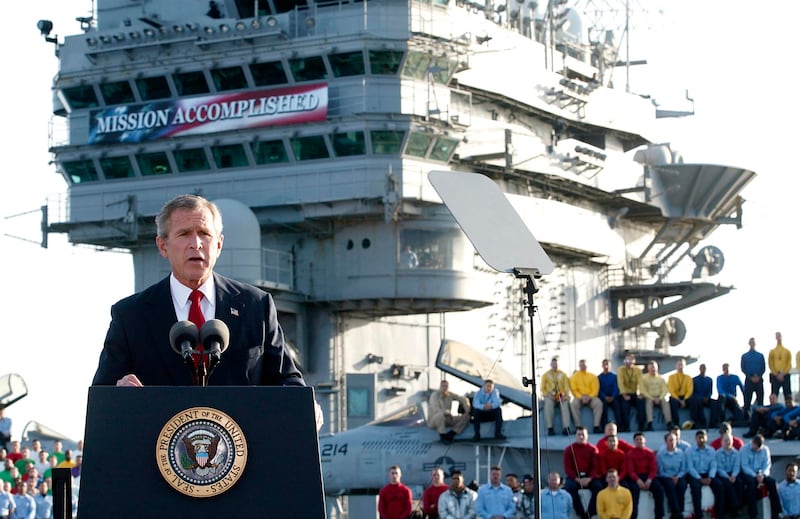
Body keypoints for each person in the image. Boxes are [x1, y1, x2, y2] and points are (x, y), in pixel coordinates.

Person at [91, 194, 309, 389]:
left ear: (218, 245)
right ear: (162, 246)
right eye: (184, 234)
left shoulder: (255, 306)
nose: (195, 244)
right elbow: (103, 396)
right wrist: (117, 391)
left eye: (204, 233)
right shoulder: (131, 315)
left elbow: (287, 382)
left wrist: (305, 407)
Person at [563, 426, 603, 519]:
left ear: (587, 436)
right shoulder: (569, 449)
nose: (581, 437)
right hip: (575, 477)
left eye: (583, 435)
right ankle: (581, 513)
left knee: (598, 487)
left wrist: (589, 478)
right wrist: (577, 479)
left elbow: (596, 467)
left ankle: (590, 512)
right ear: (575, 436)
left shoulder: (593, 449)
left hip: (589, 477)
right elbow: (567, 468)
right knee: (570, 487)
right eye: (579, 434)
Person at [622, 432, 664, 519]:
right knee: (633, 490)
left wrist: (649, 480)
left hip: (648, 476)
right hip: (635, 477)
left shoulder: (650, 453)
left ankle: (659, 515)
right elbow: (630, 471)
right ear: (634, 442)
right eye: (637, 440)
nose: (639, 441)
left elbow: (653, 469)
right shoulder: (630, 454)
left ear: (644, 440)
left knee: (659, 488)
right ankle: (633, 515)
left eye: (641, 439)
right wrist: (638, 480)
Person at [739, 434, 781, 519]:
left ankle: (776, 513)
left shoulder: (765, 450)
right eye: (756, 447)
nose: (758, 450)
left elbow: (767, 465)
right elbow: (744, 466)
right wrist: (755, 476)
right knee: (751, 485)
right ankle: (753, 514)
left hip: (761, 473)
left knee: (772, 483)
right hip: (749, 473)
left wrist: (763, 474)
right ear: (753, 443)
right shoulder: (744, 449)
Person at [685, 429, 724, 519]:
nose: (701, 440)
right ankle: (698, 515)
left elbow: (713, 465)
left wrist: (710, 477)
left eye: (703, 437)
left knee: (720, 486)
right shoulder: (689, 451)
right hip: (695, 475)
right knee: (695, 488)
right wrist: (700, 479)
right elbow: (690, 467)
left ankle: (719, 515)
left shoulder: (711, 450)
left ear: (706, 438)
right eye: (699, 438)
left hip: (708, 474)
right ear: (696, 438)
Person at [656, 432, 687, 519]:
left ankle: (679, 511)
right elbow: (660, 471)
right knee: (669, 485)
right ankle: (676, 511)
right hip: (665, 476)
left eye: (674, 440)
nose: (672, 442)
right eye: (670, 440)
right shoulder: (660, 455)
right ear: (666, 442)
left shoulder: (681, 453)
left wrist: (677, 477)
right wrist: (670, 477)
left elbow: (683, 469)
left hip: (678, 475)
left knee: (682, 485)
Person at [569, 359, 603, 433]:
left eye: (584, 365)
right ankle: (578, 426)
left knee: (598, 403)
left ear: (587, 366)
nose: (582, 366)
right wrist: (581, 397)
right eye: (581, 365)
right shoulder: (574, 377)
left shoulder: (593, 376)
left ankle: (596, 426)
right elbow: (574, 390)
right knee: (573, 404)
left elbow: (595, 389)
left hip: (590, 397)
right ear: (579, 366)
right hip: (579, 398)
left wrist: (589, 397)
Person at [714, 432, 743, 517]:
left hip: (733, 473)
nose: (728, 442)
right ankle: (735, 506)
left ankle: (738, 507)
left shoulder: (737, 453)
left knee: (740, 483)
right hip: (722, 474)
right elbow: (719, 468)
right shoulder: (717, 453)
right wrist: (728, 477)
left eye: (729, 440)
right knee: (726, 484)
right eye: (726, 440)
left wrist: (733, 475)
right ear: (721, 442)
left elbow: (737, 466)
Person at [542, 357, 572, 436]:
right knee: (548, 405)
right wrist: (548, 395)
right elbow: (542, 388)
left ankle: (566, 428)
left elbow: (566, 387)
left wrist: (564, 396)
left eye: (556, 364)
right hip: (550, 396)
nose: (554, 365)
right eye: (553, 364)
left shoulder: (563, 375)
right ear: (551, 365)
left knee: (565, 405)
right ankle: (550, 428)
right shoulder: (546, 375)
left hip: (561, 396)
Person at [640, 361, 672, 431]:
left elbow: (665, 390)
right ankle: (650, 423)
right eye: (651, 367)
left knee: (665, 403)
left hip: (659, 397)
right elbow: (643, 390)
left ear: (657, 368)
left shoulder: (661, 378)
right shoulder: (643, 378)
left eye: (654, 367)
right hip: (649, 397)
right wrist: (652, 398)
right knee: (648, 404)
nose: (653, 369)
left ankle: (669, 423)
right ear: (648, 369)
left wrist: (659, 398)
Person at [617, 354, 643, 432]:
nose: (627, 362)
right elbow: (620, 383)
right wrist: (624, 394)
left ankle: (641, 424)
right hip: (624, 393)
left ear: (633, 361)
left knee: (641, 402)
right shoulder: (621, 369)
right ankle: (626, 425)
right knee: (624, 404)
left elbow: (640, 382)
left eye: (629, 360)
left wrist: (640, 393)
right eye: (626, 360)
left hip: (634, 393)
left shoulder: (638, 370)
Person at [741, 337, 766, 419]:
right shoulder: (744, 356)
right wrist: (750, 376)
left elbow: (763, 367)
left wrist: (758, 376)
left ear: (755, 344)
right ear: (749, 343)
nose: (752, 343)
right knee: (747, 400)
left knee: (760, 401)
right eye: (750, 342)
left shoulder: (760, 355)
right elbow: (743, 368)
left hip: (759, 380)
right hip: (749, 380)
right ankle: (745, 418)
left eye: (753, 342)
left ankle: (761, 419)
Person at [667, 358, 693, 429]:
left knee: (694, 401)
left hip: (685, 397)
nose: (680, 367)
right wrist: (679, 400)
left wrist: (684, 399)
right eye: (679, 365)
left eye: (682, 365)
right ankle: (676, 423)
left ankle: (694, 421)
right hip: (676, 397)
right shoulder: (671, 377)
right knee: (672, 401)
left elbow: (690, 390)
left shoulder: (688, 377)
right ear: (676, 366)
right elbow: (671, 390)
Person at [689, 363, 716, 429]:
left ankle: (713, 422)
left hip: (706, 398)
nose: (703, 369)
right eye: (702, 368)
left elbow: (710, 391)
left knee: (715, 403)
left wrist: (707, 397)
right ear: (699, 369)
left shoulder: (709, 379)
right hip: (697, 398)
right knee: (696, 402)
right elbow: (693, 392)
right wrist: (701, 398)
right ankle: (700, 422)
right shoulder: (694, 379)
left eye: (704, 368)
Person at [598, 359, 624, 429]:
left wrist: (613, 396)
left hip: (613, 397)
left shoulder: (614, 376)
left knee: (617, 405)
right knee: (603, 406)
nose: (606, 366)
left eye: (607, 364)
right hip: (604, 398)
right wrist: (604, 397)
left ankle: (620, 425)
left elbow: (616, 388)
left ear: (610, 366)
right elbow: (599, 390)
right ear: (602, 366)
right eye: (604, 365)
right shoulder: (599, 377)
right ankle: (604, 426)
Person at [768, 331, 792, 401]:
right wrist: (776, 374)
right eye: (777, 336)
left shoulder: (787, 351)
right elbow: (770, 364)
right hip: (775, 376)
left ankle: (789, 409)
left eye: (779, 336)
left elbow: (789, 364)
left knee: (788, 395)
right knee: (774, 395)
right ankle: (774, 410)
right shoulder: (772, 351)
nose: (778, 337)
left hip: (785, 375)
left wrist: (783, 374)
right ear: (775, 337)